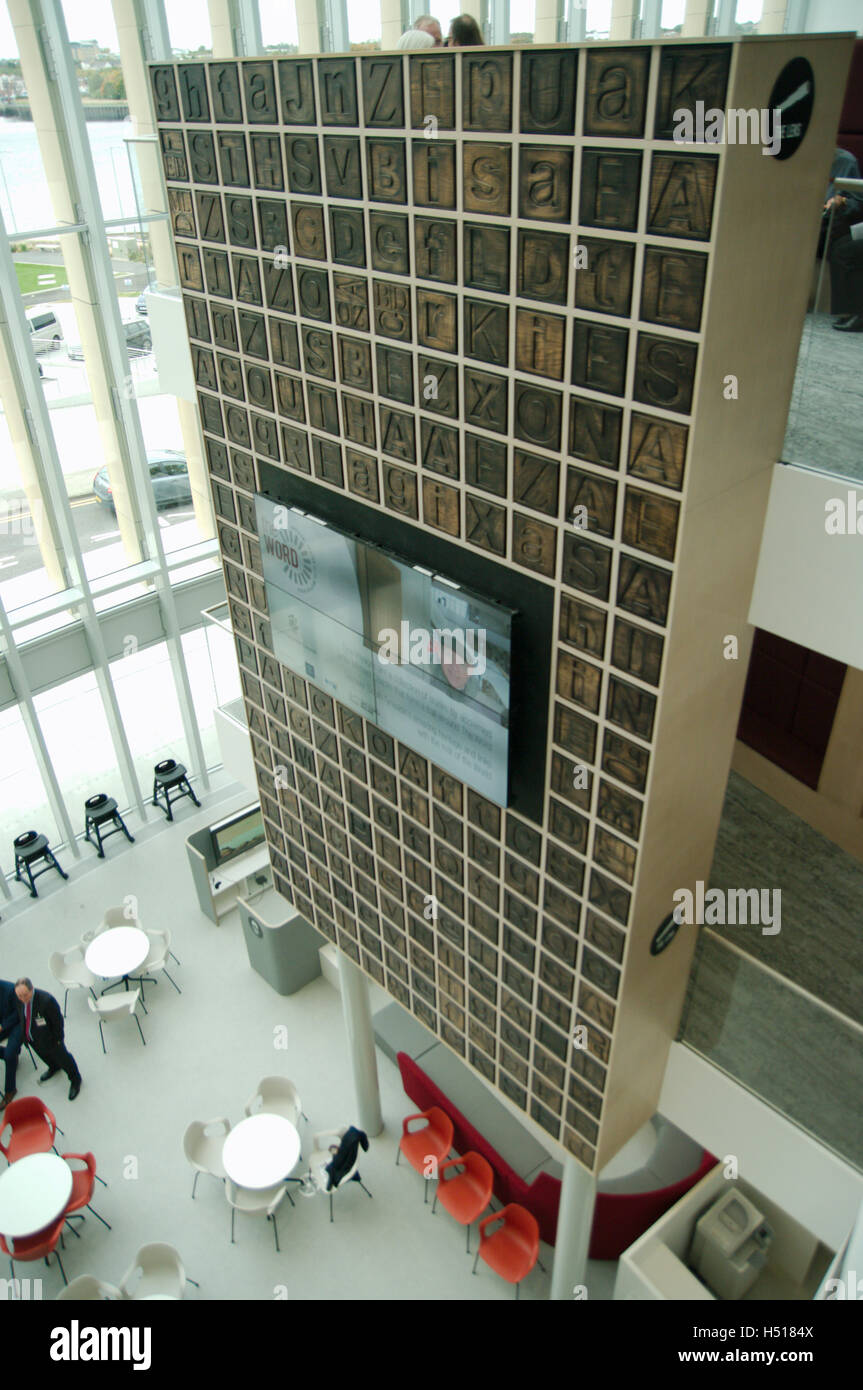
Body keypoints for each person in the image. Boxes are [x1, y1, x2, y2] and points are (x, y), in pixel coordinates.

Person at [13, 977, 81, 1101]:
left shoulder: (46, 1001)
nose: (23, 999)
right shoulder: (19, 1000)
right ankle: (54, 1067)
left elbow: (58, 1022)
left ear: (32, 989)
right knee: (44, 1056)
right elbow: (22, 1016)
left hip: (52, 1040)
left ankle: (75, 1080)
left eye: (25, 995)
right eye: (19, 996)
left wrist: (58, 1040)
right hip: (32, 1038)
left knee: (64, 1058)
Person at [0, 978, 23, 1109]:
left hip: (18, 1023)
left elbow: (19, 1012)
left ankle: (10, 1090)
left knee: (9, 1054)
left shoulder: (10, 990)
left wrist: (2, 1027)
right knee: (10, 1054)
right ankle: (13, 1056)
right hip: (4, 1023)